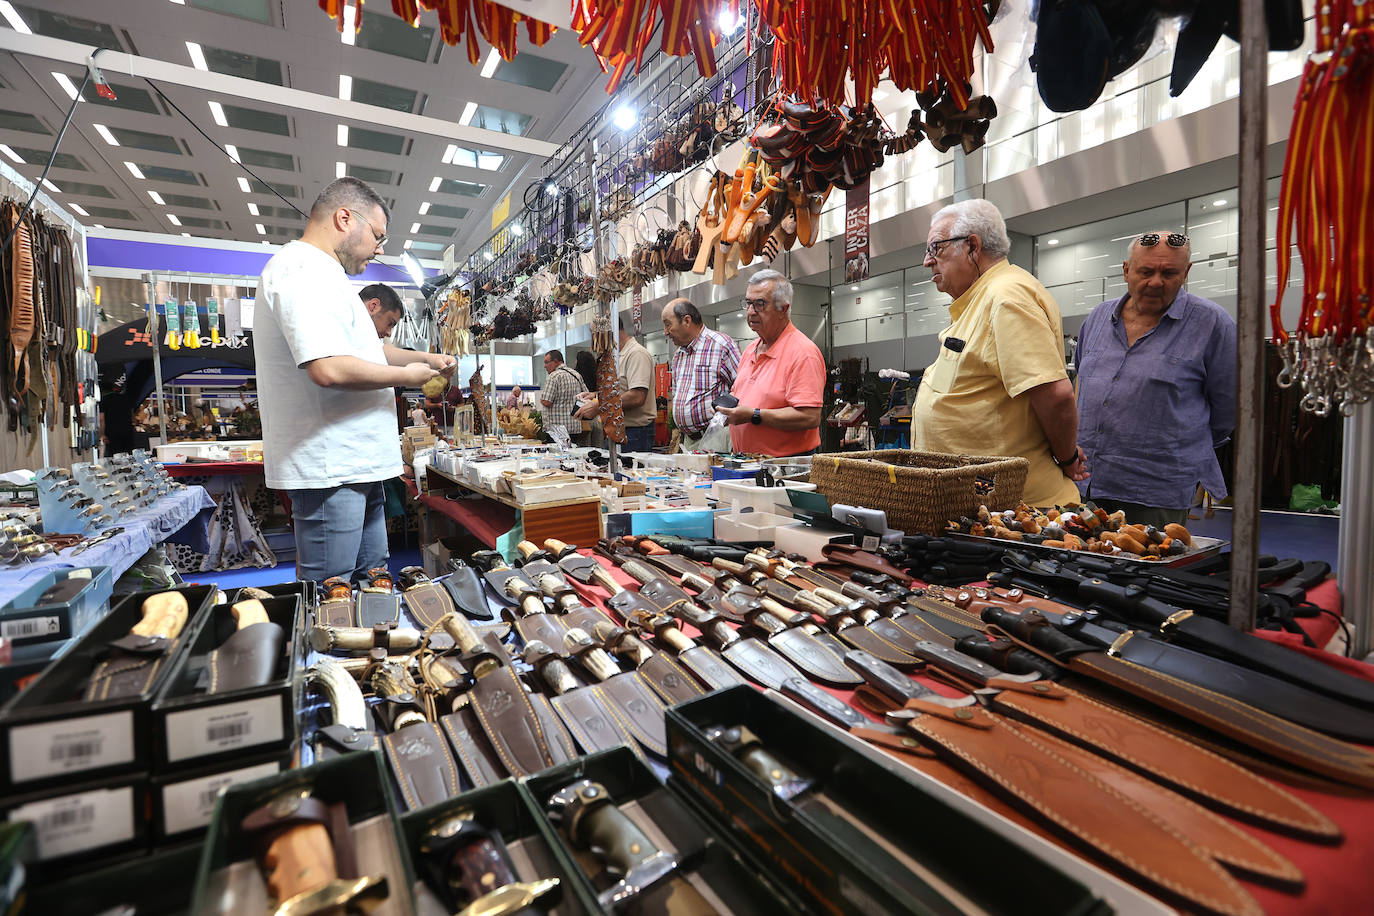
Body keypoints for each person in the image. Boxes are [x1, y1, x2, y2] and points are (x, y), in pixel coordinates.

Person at [254, 176, 454, 585]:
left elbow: (368, 352)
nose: (380, 249)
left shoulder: (329, 277)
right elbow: (328, 367)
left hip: (356, 465)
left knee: (373, 578)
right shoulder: (301, 269)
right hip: (331, 469)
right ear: (345, 218)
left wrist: (426, 358)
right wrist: (406, 377)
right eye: (378, 236)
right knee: (332, 591)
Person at [910, 198, 1085, 507]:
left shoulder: (1006, 297)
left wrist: (1067, 457)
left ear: (972, 247)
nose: (927, 261)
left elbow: (1055, 396)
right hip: (983, 505)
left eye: (935, 248)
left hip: (1013, 510)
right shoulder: (981, 300)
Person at [1075, 231, 1237, 526]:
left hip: (1155, 493)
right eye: (1146, 271)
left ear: (1186, 272)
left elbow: (1227, 411)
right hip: (1085, 484)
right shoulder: (1097, 318)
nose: (1156, 282)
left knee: (1149, 567)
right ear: (1126, 271)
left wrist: (1172, 448)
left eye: (1169, 273)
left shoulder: (1213, 324)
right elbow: (1080, 388)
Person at [716, 269, 825, 457]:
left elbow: (809, 417)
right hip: (748, 463)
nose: (750, 311)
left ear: (783, 308)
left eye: (760, 304)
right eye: (748, 303)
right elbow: (741, 392)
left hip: (785, 467)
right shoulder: (751, 349)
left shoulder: (803, 352)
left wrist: (754, 415)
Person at [662, 297, 740, 451]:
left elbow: (743, 388)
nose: (665, 332)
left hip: (717, 437)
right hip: (688, 440)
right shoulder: (679, 354)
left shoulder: (721, 345)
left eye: (668, 325)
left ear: (687, 321)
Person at [575, 313, 657, 452]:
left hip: (634, 433)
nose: (594, 339)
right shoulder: (616, 356)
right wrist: (595, 396)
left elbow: (637, 397)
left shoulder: (636, 354)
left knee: (628, 472)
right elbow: (619, 390)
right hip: (615, 429)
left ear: (609, 331)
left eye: (595, 333)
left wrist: (599, 406)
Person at [539, 349, 586, 440]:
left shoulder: (554, 376)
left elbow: (546, 401)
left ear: (556, 361)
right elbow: (585, 397)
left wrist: (541, 398)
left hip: (556, 431)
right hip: (574, 428)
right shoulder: (576, 375)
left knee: (556, 454)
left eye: (546, 362)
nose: (545, 366)